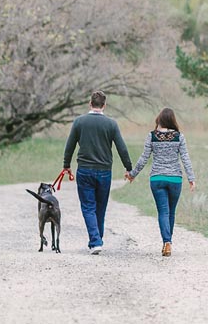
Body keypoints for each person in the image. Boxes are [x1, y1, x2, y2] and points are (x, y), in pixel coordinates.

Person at [62, 90, 132, 255]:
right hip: (104, 172)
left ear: (90, 104)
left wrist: (66, 165)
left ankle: (95, 241)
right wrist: (128, 167)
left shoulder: (79, 122)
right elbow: (121, 147)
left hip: (85, 170)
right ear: (104, 105)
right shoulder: (111, 124)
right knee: (100, 208)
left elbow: (70, 145)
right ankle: (96, 240)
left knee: (88, 207)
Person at [126, 107, 196, 257]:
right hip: (175, 179)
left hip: (157, 178)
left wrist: (133, 174)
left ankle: (167, 241)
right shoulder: (179, 137)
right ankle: (168, 242)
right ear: (172, 121)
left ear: (159, 119)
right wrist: (191, 178)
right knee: (171, 212)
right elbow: (185, 159)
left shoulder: (152, 136)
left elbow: (144, 158)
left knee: (163, 211)